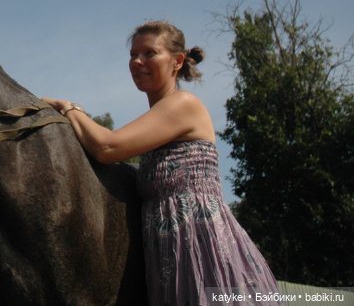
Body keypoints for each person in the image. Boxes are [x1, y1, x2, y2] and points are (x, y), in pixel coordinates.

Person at [44, 20, 280, 306]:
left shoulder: (183, 104)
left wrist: (69, 108)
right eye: (132, 55)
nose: (137, 61)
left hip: (202, 251)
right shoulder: (159, 126)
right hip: (170, 258)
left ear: (177, 61)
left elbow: (107, 147)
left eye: (149, 53)